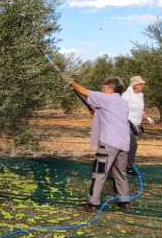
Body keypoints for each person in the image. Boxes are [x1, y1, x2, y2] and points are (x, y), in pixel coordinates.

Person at [65, 76, 133, 212]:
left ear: (111, 89)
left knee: (99, 173)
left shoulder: (106, 98)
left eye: (104, 87)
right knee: (120, 172)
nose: (102, 89)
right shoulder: (122, 102)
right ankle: (124, 201)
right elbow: (112, 116)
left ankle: (91, 204)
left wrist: (70, 82)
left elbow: (84, 91)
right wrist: (96, 113)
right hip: (124, 143)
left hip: (109, 142)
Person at [121, 75, 154, 174]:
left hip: (135, 122)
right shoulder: (126, 95)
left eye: (142, 83)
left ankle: (121, 164)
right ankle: (129, 167)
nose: (142, 85)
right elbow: (119, 107)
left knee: (126, 145)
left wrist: (147, 118)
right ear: (134, 85)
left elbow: (140, 109)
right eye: (140, 84)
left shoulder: (140, 95)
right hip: (126, 121)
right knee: (133, 144)